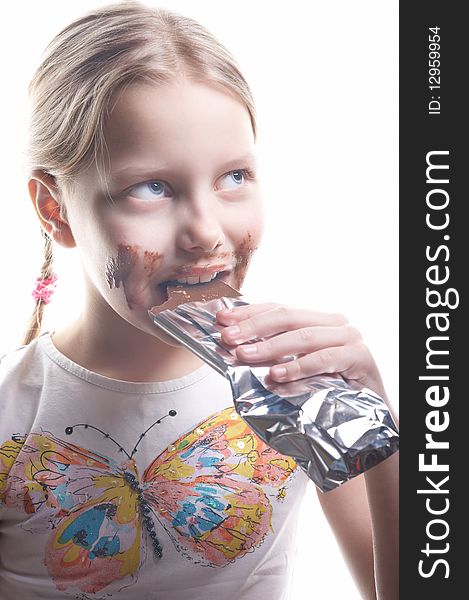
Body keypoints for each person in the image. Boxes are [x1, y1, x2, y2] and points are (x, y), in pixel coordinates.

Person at [0, 2, 399, 599]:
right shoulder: (12, 417)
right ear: (55, 210)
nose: (207, 232)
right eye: (151, 188)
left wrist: (377, 426)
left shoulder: (291, 385)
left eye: (233, 176)